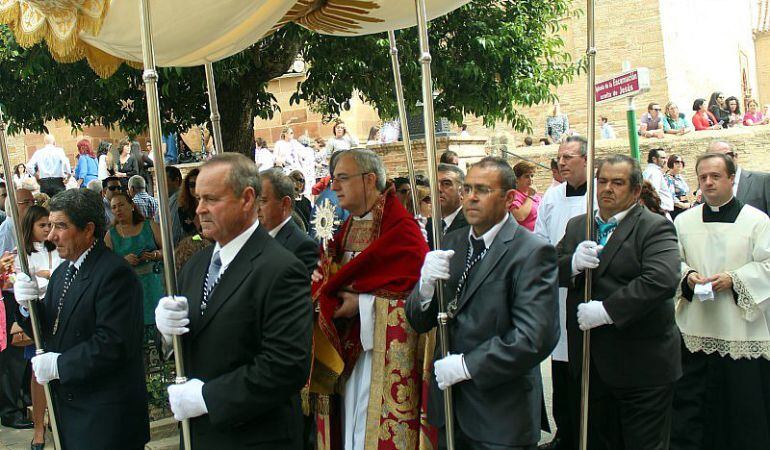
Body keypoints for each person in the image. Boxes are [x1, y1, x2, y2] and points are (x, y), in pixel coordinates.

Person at [154, 153, 312, 449]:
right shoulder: (196, 265)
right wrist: (166, 332)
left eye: (212, 199)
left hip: (255, 437)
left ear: (247, 199)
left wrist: (207, 397)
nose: (200, 209)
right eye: (198, 198)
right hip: (201, 435)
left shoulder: (280, 268)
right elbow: (191, 342)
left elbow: (285, 366)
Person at [407, 156, 559, 449]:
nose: (472, 197)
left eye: (483, 190)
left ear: (509, 198)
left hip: (501, 413)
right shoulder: (452, 242)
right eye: (468, 188)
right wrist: (424, 287)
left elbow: (535, 337)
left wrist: (467, 366)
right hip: (451, 408)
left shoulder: (531, 252)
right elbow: (420, 320)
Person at [556, 155, 682, 450]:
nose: (607, 189)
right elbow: (548, 268)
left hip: (642, 367)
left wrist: (607, 310)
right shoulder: (578, 226)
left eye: (618, 182)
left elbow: (661, 280)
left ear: (636, 191)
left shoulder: (654, 227)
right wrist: (572, 264)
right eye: (602, 181)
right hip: (590, 365)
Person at [309, 148, 429, 449]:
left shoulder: (402, 231)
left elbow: (415, 302)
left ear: (369, 179)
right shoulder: (350, 226)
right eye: (333, 179)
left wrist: (360, 305)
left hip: (380, 357)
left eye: (342, 178)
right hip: (348, 354)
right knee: (349, 426)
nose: (334, 186)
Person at [13, 188, 150, 449]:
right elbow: (48, 329)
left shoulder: (114, 273)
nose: (51, 236)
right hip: (74, 412)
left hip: (106, 418)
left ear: (88, 229)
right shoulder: (63, 271)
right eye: (51, 226)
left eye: (61, 226)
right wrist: (26, 306)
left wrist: (61, 365)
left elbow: (114, 343)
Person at [670, 152, 770, 450]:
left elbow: (768, 265)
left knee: (741, 410)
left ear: (731, 179)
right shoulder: (684, 221)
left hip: (740, 331)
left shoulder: (757, 221)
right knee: (692, 411)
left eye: (716, 176)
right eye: (703, 177)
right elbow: (672, 261)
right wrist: (687, 276)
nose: (709, 182)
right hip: (695, 330)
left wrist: (735, 280)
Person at [534, 135, 592, 450]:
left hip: (587, 292)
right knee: (560, 365)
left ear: (587, 158)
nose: (562, 163)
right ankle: (564, 433)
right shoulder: (552, 196)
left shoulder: (598, 197)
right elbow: (540, 239)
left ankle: (588, 433)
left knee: (585, 366)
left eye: (568, 157)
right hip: (556, 290)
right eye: (559, 157)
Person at [15, 205, 62, 449]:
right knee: (38, 372)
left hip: (60, 313)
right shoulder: (22, 253)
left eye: (50, 225)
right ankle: (38, 427)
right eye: (42, 225)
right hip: (36, 316)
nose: (47, 230)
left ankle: (57, 418)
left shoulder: (58, 249)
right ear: (31, 227)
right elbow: (20, 285)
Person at [105, 192, 163, 328]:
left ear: (131, 206)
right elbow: (106, 264)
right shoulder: (110, 235)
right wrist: (123, 260)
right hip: (127, 289)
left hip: (154, 284)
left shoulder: (150, 225)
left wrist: (155, 254)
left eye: (121, 205)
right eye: (113, 207)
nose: (117, 210)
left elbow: (169, 250)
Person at [258, 168, 318, 275]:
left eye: (262, 201)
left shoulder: (303, 246)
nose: (256, 208)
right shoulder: (254, 236)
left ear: (285, 203)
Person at [708, 141, 770, 214]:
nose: (723, 160)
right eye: (716, 157)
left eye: (727, 155)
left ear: (736, 156)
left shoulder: (763, 181)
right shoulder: (708, 187)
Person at [426, 163, 468, 249]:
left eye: (446, 183)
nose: (438, 189)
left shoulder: (472, 224)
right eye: (433, 184)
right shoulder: (427, 225)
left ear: (462, 190)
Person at [510, 161, 542, 232]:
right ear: (517, 179)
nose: (531, 179)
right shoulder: (513, 196)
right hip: (524, 239)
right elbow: (520, 216)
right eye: (527, 176)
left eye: (532, 176)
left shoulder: (536, 196)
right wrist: (530, 196)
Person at [642, 148, 674, 217]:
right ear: (654, 159)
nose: (665, 161)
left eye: (666, 158)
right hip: (660, 213)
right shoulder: (654, 172)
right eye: (662, 158)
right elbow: (653, 193)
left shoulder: (650, 171)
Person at [665, 154, 690, 220]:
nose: (680, 164)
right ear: (671, 163)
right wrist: (683, 205)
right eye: (677, 162)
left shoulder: (679, 177)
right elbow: (670, 197)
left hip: (685, 206)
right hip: (677, 209)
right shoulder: (668, 178)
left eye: (681, 162)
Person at [165, 165, 185, 244]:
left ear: (176, 181)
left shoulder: (179, 199)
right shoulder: (167, 200)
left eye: (165, 181)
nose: (161, 185)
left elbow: (174, 231)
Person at [178, 168, 199, 237]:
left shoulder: (213, 206)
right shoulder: (183, 209)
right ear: (188, 188)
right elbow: (189, 232)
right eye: (192, 185)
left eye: (199, 184)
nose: (196, 188)